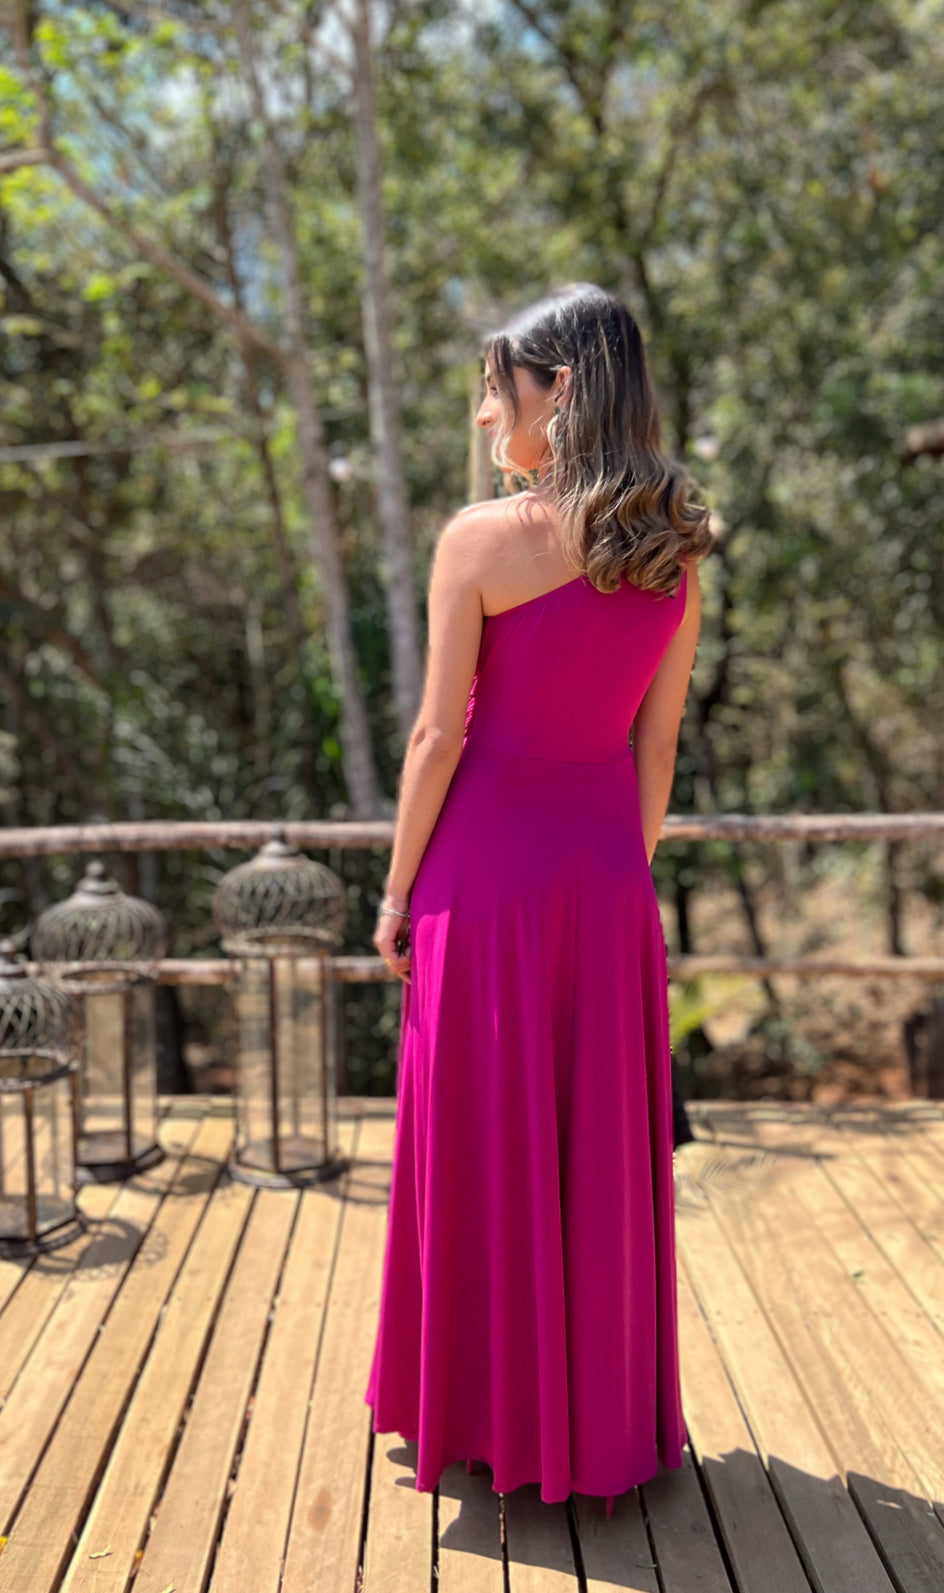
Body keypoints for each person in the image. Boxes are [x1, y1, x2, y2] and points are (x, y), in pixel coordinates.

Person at [364, 283, 714, 1514]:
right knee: (591, 1161)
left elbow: (435, 737)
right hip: (606, 880)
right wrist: (616, 878)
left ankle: (479, 1414)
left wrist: (394, 894)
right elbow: (656, 750)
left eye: (492, 389)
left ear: (556, 389)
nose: (482, 416)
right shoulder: (674, 552)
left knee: (480, 1142)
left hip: (482, 881)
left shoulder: (478, 540)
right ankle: (596, 1423)